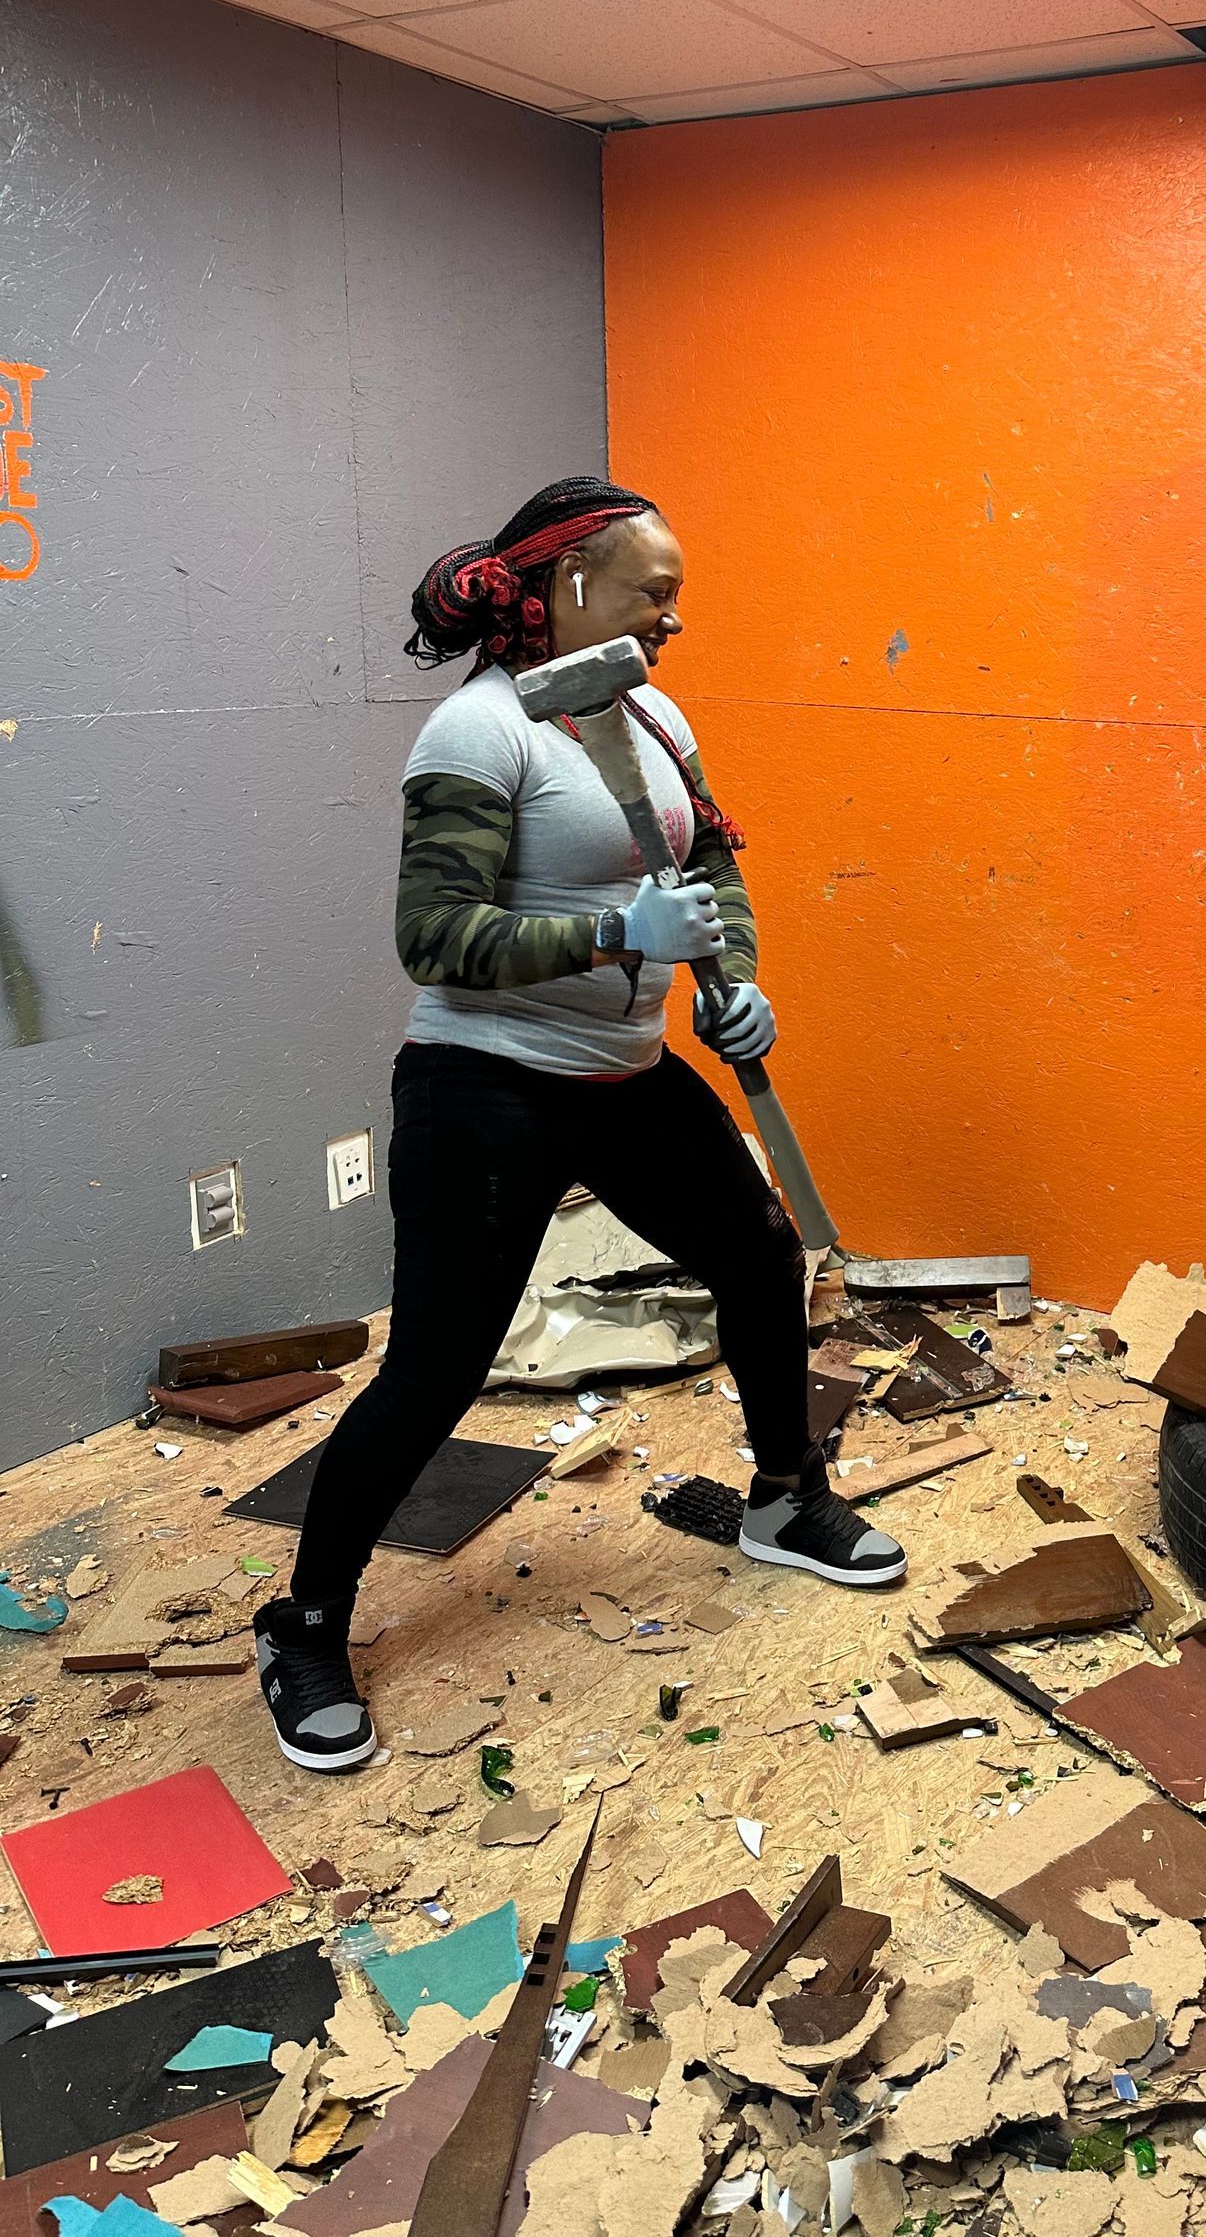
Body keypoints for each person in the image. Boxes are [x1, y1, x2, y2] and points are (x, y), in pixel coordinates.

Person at [252, 477, 905, 1773]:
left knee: (763, 1260)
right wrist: (616, 930)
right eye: (652, 592)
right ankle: (304, 1623)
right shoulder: (477, 737)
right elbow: (432, 936)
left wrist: (740, 981)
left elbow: (711, 863)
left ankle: (784, 1500)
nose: (672, 619)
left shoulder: (653, 720)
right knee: (436, 1370)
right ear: (566, 588)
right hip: (483, 1084)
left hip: (625, 1076)